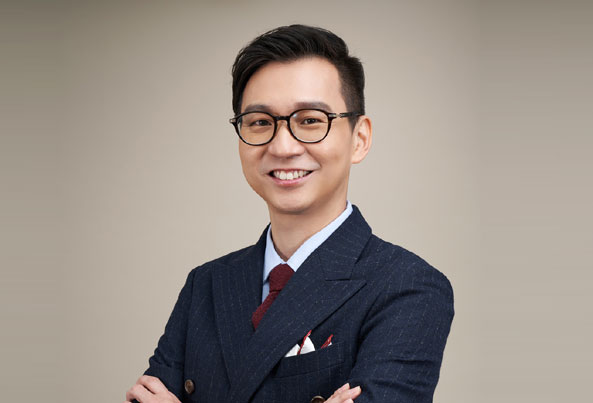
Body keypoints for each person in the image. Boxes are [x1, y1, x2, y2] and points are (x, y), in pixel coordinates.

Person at [125, 24, 454, 403]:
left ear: (359, 138)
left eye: (310, 120)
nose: (283, 147)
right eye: (260, 122)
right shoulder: (207, 284)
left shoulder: (408, 287)